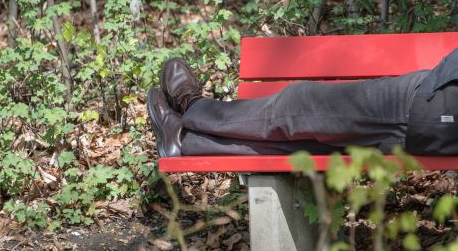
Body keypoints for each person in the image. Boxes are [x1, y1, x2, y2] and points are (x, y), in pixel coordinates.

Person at [147, 51, 458, 157]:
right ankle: (187, 141)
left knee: (302, 104)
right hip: (439, 117)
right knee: (315, 144)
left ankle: (194, 109)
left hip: (435, 106)